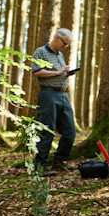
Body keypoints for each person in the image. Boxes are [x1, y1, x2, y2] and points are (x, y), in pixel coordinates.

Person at [31, 28, 77, 171]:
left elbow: (59, 73)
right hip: (48, 94)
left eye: (67, 45)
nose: (65, 47)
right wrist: (58, 72)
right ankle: (39, 166)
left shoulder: (60, 55)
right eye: (65, 44)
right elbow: (37, 71)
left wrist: (65, 72)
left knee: (70, 131)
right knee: (47, 130)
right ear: (57, 38)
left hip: (63, 95)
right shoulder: (40, 52)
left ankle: (59, 162)